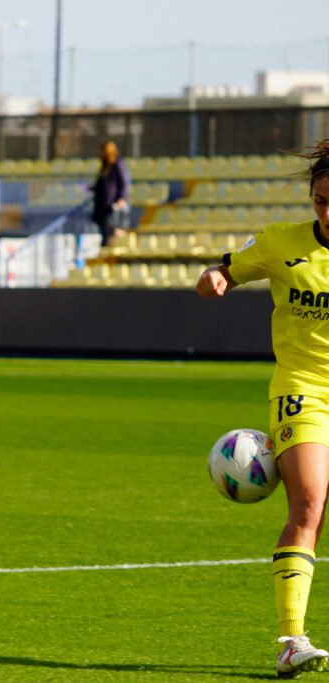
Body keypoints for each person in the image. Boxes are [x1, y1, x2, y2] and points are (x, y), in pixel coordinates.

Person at [196, 139, 329, 678]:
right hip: (302, 388)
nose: (327, 210)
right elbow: (224, 269)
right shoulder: (281, 243)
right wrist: (217, 278)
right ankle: (291, 640)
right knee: (308, 503)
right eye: (320, 200)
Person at [91, 140, 130, 247]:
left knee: (111, 230)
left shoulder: (117, 163)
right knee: (104, 230)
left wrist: (121, 197)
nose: (101, 154)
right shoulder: (104, 166)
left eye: (103, 151)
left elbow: (123, 182)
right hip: (102, 205)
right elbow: (102, 184)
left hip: (111, 204)